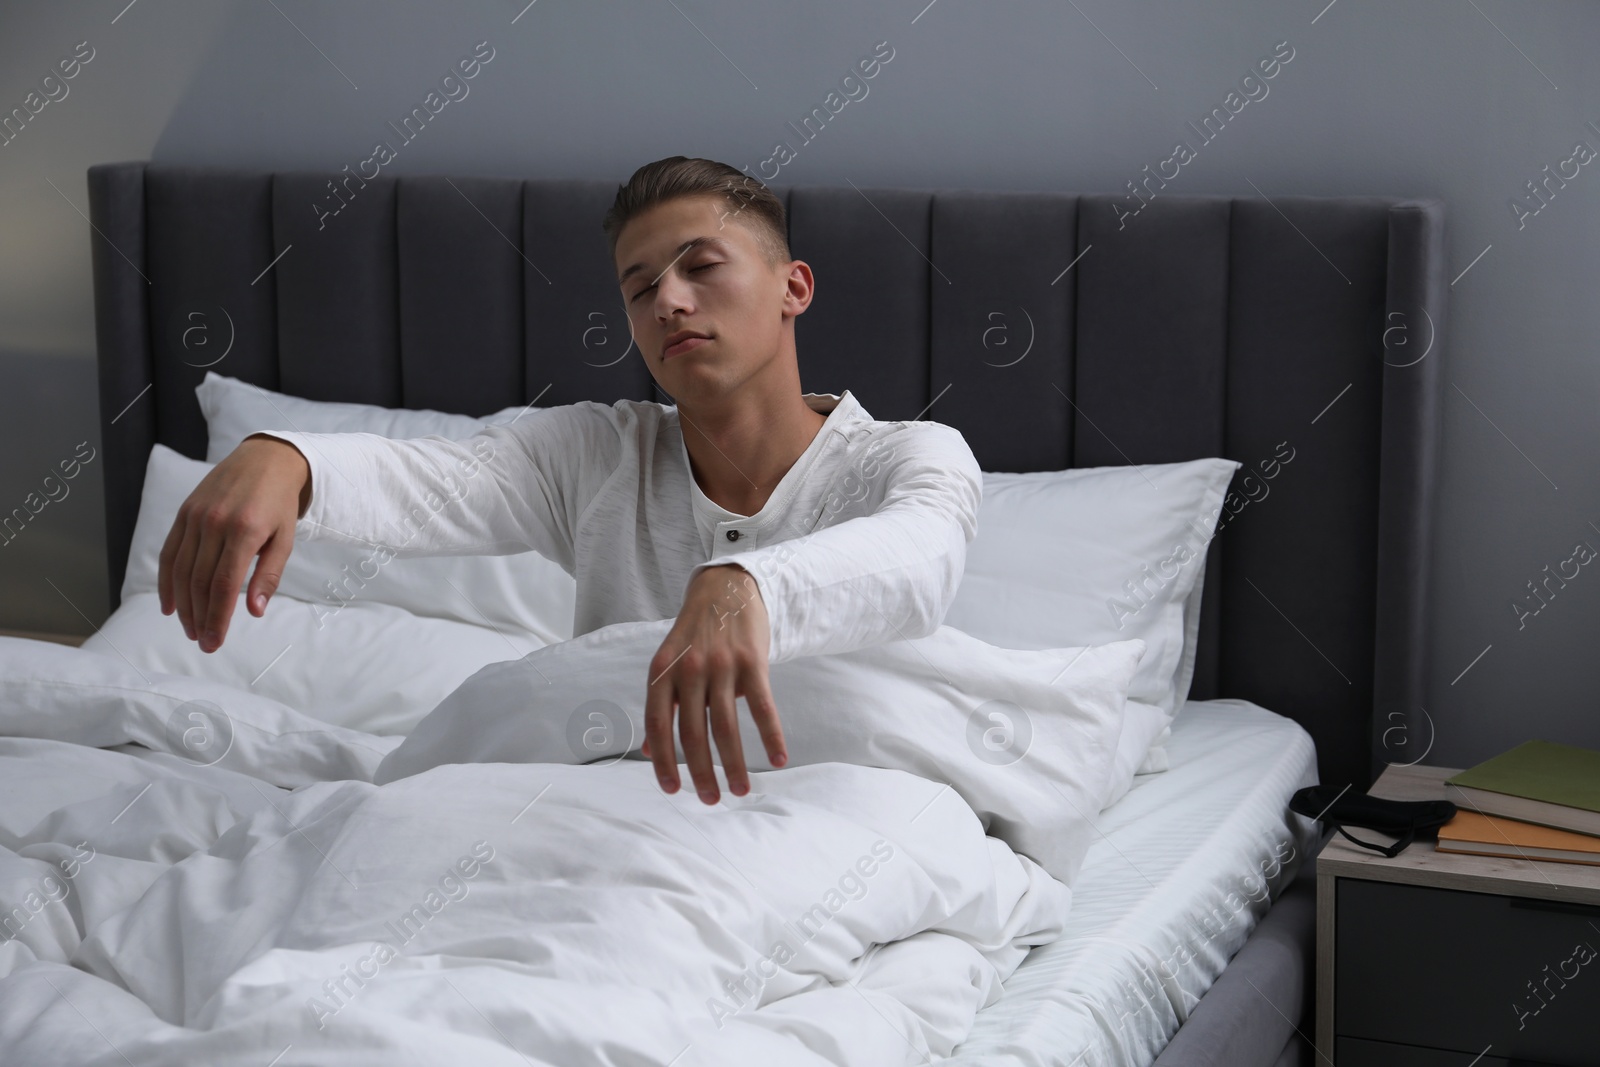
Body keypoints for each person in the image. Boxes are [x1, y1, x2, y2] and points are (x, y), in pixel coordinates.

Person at [157, 155, 982, 806]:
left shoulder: (911, 458)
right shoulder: (598, 456)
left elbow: (920, 559)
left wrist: (748, 587)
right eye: (642, 286)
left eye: (701, 267)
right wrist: (288, 459)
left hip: (826, 819)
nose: (670, 301)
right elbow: (437, 478)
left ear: (792, 287)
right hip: (601, 814)